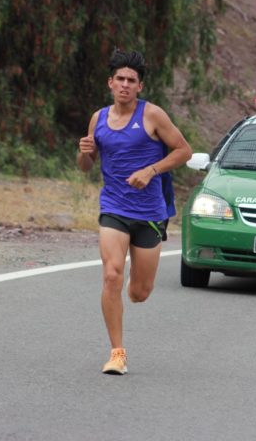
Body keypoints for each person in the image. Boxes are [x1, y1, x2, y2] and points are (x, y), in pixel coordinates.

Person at [77, 49, 192, 375]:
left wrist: (151, 171)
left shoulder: (153, 115)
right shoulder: (98, 119)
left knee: (139, 293)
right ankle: (117, 353)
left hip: (150, 213)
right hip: (113, 207)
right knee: (111, 274)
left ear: (139, 86)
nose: (125, 85)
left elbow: (184, 151)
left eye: (131, 80)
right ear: (110, 82)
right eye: (120, 79)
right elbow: (86, 167)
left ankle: (134, 287)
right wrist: (84, 153)